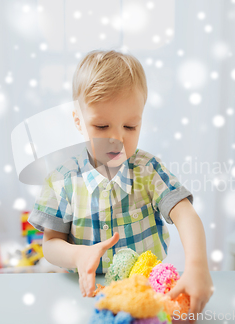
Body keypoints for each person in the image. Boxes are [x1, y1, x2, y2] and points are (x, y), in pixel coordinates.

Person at [28, 49, 213, 315]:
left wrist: (197, 266)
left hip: (146, 295)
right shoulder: (62, 181)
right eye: (102, 127)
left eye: (130, 127)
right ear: (79, 122)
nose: (117, 139)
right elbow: (50, 244)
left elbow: (185, 214)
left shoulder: (148, 170)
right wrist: (77, 256)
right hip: (84, 295)